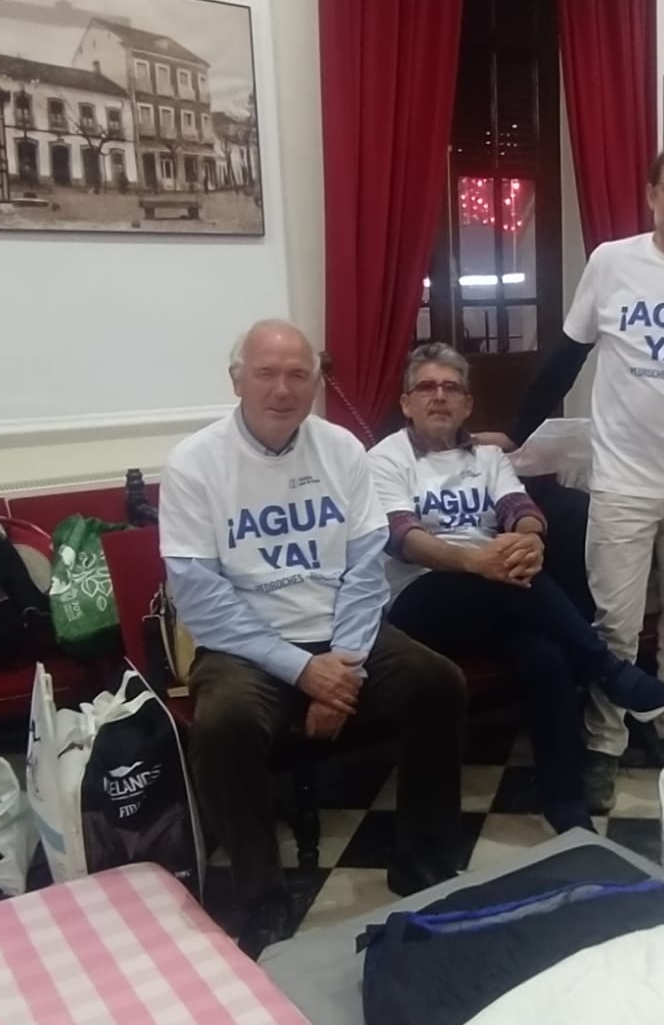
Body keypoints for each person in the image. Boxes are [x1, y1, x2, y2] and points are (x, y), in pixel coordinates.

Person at [158, 318, 465, 952]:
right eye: (266, 373)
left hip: (342, 631)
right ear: (237, 379)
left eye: (299, 374)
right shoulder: (194, 463)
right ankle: (261, 894)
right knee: (223, 726)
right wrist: (303, 672)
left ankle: (422, 859)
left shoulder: (343, 451)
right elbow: (201, 597)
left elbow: (365, 563)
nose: (282, 389)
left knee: (438, 683)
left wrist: (343, 666)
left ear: (316, 382)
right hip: (244, 645)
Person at [477, 140, 664, 811]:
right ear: (651, 194)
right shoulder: (612, 264)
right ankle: (605, 743)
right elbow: (566, 358)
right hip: (624, 480)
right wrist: (517, 430)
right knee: (615, 623)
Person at [368, 343, 664, 832]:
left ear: (468, 404)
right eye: (426, 387)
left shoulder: (488, 455)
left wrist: (530, 540)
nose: (439, 397)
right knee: (499, 583)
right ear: (406, 402)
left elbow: (520, 508)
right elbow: (403, 538)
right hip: (419, 601)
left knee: (546, 656)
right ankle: (607, 667)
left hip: (497, 594)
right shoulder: (384, 459)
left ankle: (565, 804)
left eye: (452, 388)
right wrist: (475, 558)